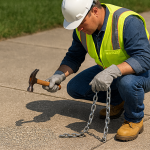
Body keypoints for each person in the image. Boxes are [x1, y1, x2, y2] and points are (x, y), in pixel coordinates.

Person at [43, 0, 150, 141]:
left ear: (94, 11)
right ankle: (119, 101)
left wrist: (112, 72)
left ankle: (134, 120)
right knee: (75, 87)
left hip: (142, 72)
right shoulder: (81, 30)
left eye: (81, 22)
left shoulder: (127, 22)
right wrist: (59, 75)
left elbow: (143, 58)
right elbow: (74, 57)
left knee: (127, 83)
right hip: (112, 71)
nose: (79, 28)